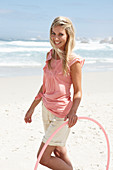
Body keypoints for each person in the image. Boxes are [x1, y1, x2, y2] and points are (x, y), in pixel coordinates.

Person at [24, 16, 85, 170]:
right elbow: (45, 85)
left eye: (60, 34)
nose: (56, 38)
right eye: (53, 33)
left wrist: (73, 112)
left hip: (62, 113)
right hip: (46, 109)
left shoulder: (73, 60)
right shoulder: (50, 55)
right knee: (58, 149)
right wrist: (32, 107)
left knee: (42, 157)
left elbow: (78, 91)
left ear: (68, 35)